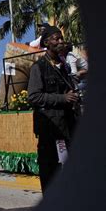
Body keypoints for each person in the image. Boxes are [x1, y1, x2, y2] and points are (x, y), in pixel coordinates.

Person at [27, 25, 79, 193]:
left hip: (67, 127)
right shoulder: (39, 67)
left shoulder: (64, 66)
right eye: (56, 38)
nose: (60, 41)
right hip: (50, 129)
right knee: (51, 174)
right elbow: (34, 97)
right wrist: (62, 98)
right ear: (47, 42)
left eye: (61, 38)